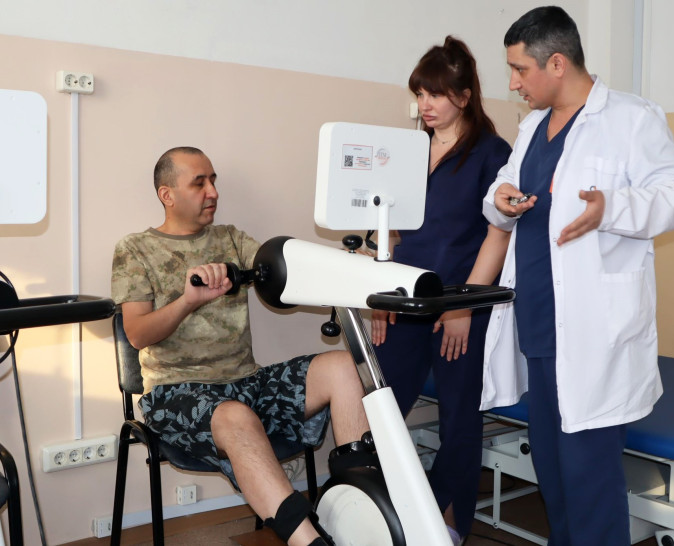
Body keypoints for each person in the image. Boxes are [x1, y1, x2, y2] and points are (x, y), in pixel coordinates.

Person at [481, 7, 674, 545]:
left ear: (557, 63)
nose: (513, 84)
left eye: (520, 70)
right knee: (553, 474)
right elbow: (502, 189)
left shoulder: (631, 118)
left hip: (593, 332)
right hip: (538, 324)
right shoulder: (531, 127)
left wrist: (612, 208)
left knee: (589, 479)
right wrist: (500, 199)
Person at [111, 146, 371, 546]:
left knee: (342, 367)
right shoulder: (134, 249)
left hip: (247, 384)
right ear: (167, 194)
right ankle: (311, 542)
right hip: (175, 392)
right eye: (199, 183)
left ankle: (361, 511)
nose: (213, 192)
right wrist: (188, 302)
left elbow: (289, 271)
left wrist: (349, 266)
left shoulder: (230, 238)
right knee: (235, 416)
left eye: (213, 181)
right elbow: (137, 334)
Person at [370, 36, 512, 545]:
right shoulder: (408, 150)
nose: (424, 104)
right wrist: (380, 296)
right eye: (420, 94)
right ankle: (385, 514)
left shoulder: (493, 154)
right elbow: (387, 227)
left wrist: (463, 309)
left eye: (435, 94)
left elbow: (498, 236)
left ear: (464, 96)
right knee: (383, 408)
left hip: (460, 304)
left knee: (459, 419)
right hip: (406, 299)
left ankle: (448, 526)